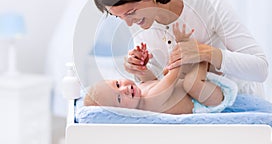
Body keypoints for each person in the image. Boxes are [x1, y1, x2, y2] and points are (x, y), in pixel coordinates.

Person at [92, 0, 268, 98]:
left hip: (242, 108)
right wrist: (141, 70)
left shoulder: (207, 1)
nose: (128, 23)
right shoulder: (140, 19)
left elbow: (260, 69)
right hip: (195, 115)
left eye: (130, 13)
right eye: (119, 17)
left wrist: (205, 53)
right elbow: (161, 84)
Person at [84, 23, 237, 114]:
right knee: (190, 82)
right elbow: (171, 78)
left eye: (117, 84)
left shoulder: (141, 92)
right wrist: (181, 45)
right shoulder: (149, 102)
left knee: (182, 78)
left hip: (199, 93)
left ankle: (200, 57)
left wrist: (142, 68)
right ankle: (202, 57)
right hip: (207, 100)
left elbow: (152, 81)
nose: (124, 89)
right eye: (119, 98)